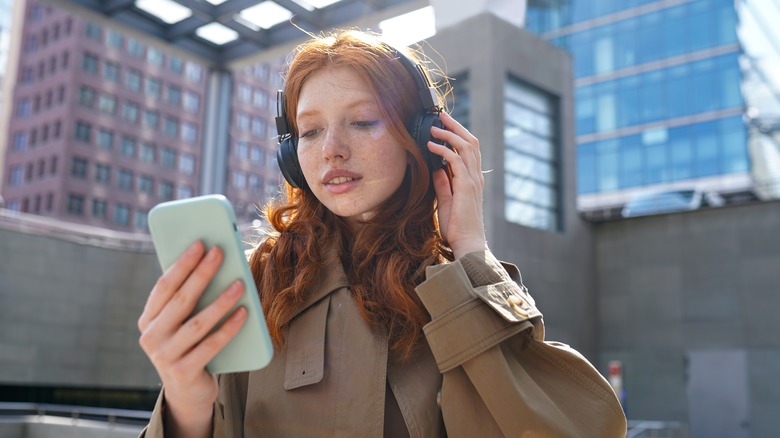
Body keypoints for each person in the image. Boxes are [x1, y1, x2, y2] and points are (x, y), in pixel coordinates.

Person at [137, 30, 626, 437]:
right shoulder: (261, 279)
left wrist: (472, 254)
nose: (331, 150)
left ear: (423, 136)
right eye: (309, 132)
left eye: (363, 121)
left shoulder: (455, 282)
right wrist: (184, 404)